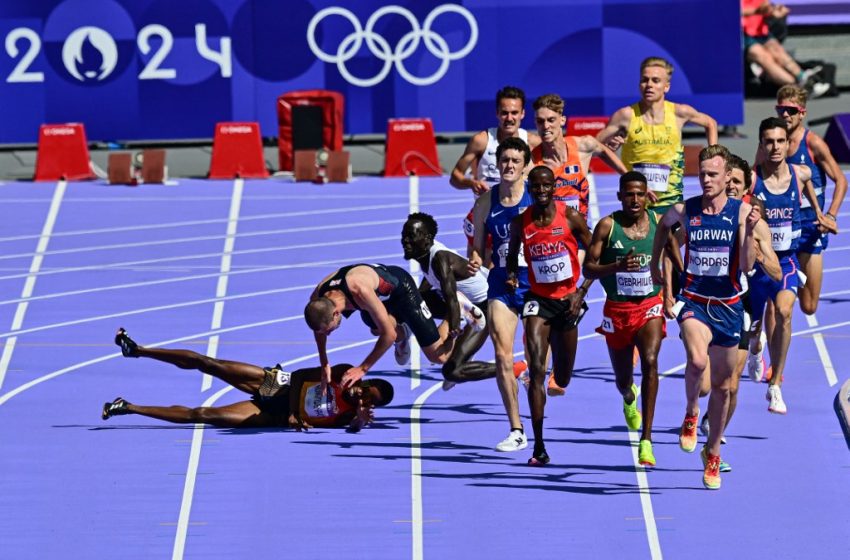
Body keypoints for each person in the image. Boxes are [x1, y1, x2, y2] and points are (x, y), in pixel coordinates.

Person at [651, 144, 760, 490]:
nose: (707, 181)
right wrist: (656, 263)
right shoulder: (686, 209)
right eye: (703, 174)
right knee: (697, 362)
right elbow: (662, 228)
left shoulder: (741, 213)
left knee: (725, 388)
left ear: (729, 177)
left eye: (714, 174)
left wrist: (751, 234)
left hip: (728, 305)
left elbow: (747, 266)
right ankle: (690, 412)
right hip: (695, 300)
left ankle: (712, 452)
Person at [596, 56, 718, 317]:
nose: (648, 85)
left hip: (670, 197)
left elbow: (710, 123)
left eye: (655, 80)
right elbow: (595, 145)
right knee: (643, 251)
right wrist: (622, 164)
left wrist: (713, 159)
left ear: (666, 86)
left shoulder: (679, 113)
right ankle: (649, 299)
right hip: (638, 201)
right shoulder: (627, 116)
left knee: (669, 241)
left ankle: (668, 294)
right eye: (644, 80)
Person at [102, 329, 394, 431]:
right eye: (366, 391)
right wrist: (295, 411)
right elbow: (304, 375)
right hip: (279, 386)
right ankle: (138, 350)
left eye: (369, 401)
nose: (362, 397)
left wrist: (356, 422)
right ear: (365, 382)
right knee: (209, 363)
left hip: (272, 415)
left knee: (202, 414)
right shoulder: (343, 372)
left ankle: (128, 407)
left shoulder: (349, 416)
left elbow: (351, 429)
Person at [696, 154, 781, 472]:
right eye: (726, 179)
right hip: (704, 304)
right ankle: (697, 411)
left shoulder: (754, 222)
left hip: (741, 308)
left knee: (730, 385)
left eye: (736, 182)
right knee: (705, 384)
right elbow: (673, 245)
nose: (730, 185)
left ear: (747, 186)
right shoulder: (702, 213)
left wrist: (755, 252)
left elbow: (774, 271)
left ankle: (712, 447)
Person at [745, 117, 833, 414]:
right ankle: (755, 346)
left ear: (787, 143)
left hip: (786, 261)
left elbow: (810, 183)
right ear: (761, 145)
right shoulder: (752, 179)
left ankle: (775, 385)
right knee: (753, 326)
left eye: (780, 141)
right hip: (756, 266)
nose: (775, 147)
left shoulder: (800, 173)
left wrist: (820, 212)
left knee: (784, 311)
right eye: (769, 141)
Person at [506, 165, 593, 466]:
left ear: (553, 187)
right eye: (536, 186)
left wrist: (581, 291)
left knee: (564, 375)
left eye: (546, 186)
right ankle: (539, 446)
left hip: (567, 302)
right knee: (537, 369)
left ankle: (551, 373)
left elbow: (595, 251)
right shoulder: (521, 223)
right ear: (529, 188)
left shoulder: (570, 216)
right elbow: (511, 255)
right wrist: (511, 276)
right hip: (538, 300)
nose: (541, 191)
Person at [582, 171, 666, 467]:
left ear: (647, 196)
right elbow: (588, 269)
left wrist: (674, 293)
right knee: (623, 380)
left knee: (651, 360)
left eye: (640, 194)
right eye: (629, 194)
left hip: (650, 305)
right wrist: (617, 266)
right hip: (617, 310)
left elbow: (673, 255)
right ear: (620, 196)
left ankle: (647, 438)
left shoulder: (658, 222)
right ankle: (629, 398)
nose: (635, 199)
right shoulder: (608, 225)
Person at [305, 263, 469, 391]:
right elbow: (319, 329)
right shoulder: (318, 298)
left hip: (402, 290)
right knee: (374, 326)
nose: (329, 334)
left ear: (335, 313)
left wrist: (363, 368)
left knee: (439, 357)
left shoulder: (360, 292)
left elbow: (388, 335)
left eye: (329, 330)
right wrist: (324, 363)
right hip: (379, 298)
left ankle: (456, 310)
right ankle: (404, 333)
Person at [468, 136, 534, 452]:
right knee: (502, 354)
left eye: (514, 161)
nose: (508, 166)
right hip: (501, 284)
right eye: (504, 160)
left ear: (525, 166)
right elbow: (478, 250)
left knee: (538, 356)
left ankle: (538, 376)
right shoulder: (485, 203)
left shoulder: (537, 198)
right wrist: (475, 261)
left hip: (536, 282)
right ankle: (517, 429)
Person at [401, 212, 494, 390]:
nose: (405, 240)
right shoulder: (424, 253)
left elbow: (450, 297)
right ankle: (405, 329)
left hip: (487, 305)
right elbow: (430, 280)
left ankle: (516, 369)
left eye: (411, 236)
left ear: (427, 238)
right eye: (404, 235)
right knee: (407, 300)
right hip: (461, 300)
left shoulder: (439, 259)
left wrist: (453, 331)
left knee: (453, 371)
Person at [775, 85, 846, 315]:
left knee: (809, 307)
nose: (785, 115)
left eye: (790, 110)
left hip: (810, 230)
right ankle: (759, 347)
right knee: (777, 303)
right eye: (780, 109)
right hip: (782, 230)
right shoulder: (773, 143)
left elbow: (841, 181)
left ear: (802, 113)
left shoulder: (813, 143)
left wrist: (831, 215)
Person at [450, 86, 541, 260]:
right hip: (487, 217)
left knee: (520, 269)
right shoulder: (482, 141)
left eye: (514, 113)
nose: (509, 118)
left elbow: (548, 177)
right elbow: (455, 177)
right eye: (505, 113)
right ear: (497, 113)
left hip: (519, 216)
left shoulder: (533, 143)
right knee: (480, 271)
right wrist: (471, 183)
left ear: (522, 114)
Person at [531, 93, 627, 223]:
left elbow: (603, 151)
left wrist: (627, 177)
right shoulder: (532, 160)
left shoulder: (582, 146)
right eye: (540, 121)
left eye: (551, 120)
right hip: (550, 236)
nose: (546, 126)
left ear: (562, 120)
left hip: (580, 232)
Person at [741, 0, 829, 97]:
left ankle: (802, 78)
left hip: (760, 32)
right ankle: (798, 89)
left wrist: (773, 11)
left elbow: (765, 7)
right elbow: (731, 12)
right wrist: (756, 11)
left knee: (777, 50)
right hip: (739, 34)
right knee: (764, 57)